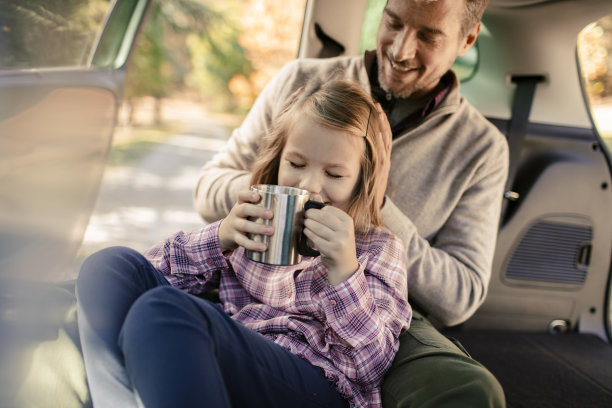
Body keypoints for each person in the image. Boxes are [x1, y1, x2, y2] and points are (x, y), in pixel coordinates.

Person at [193, 0, 508, 406]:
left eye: (428, 36)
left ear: (467, 39)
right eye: (393, 22)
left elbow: (460, 295)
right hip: (258, 278)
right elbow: (208, 187)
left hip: (376, 303)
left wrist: (373, 205)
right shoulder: (300, 80)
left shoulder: (481, 148)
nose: (401, 49)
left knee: (469, 390)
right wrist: (273, 195)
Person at [76, 79, 412, 408]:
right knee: (108, 267)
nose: (310, 185)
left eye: (335, 174)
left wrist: (345, 271)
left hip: (314, 382)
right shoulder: (254, 222)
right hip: (231, 353)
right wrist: (220, 237)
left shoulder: (378, 249)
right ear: (278, 160)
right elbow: (155, 273)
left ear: (360, 181)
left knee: (161, 310)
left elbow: (371, 367)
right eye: (296, 164)